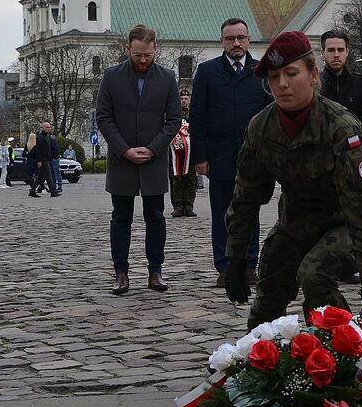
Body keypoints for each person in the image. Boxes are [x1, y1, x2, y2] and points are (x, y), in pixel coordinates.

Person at [223, 31, 362, 329]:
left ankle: (342, 341)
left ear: (313, 75)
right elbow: (246, 197)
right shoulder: (262, 127)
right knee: (268, 292)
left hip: (343, 224)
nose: (282, 84)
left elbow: (361, 206)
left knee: (314, 275)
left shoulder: (341, 126)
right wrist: (235, 258)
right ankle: (265, 351)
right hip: (295, 224)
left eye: (291, 73)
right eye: (274, 77)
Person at [97, 24, 182, 295]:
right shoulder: (111, 77)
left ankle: (155, 272)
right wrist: (124, 150)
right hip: (122, 159)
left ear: (155, 49)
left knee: (155, 216)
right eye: (137, 55)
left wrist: (154, 148)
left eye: (147, 55)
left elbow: (174, 120)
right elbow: (104, 118)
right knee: (121, 217)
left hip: (153, 160)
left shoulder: (167, 78)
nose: (143, 60)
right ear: (128, 50)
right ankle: (121, 272)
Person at [189, 18, 270, 287]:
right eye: (230, 38)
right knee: (222, 215)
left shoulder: (261, 72)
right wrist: (200, 156)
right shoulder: (207, 71)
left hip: (253, 158)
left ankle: (249, 265)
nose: (236, 43)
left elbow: (271, 115)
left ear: (248, 39)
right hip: (219, 156)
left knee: (250, 213)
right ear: (221, 41)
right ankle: (224, 266)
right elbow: (197, 117)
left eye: (241, 38)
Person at [319, 29, 362, 132]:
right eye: (331, 50)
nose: (336, 55)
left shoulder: (361, 85)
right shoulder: (312, 85)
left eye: (340, 50)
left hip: (353, 140)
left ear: (347, 52)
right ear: (322, 53)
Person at [170, 87, 198, 218]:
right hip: (175, 152)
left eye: (186, 98)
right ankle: (178, 205)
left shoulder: (194, 114)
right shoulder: (173, 113)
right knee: (176, 178)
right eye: (181, 99)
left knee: (190, 178)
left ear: (190, 99)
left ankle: (189, 205)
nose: (183, 101)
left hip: (190, 152)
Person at [29, 122, 59, 197]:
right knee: (49, 176)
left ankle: (32, 191)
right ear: (44, 128)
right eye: (48, 127)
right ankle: (53, 192)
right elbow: (38, 150)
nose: (49, 129)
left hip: (46, 159)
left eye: (50, 127)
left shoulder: (46, 137)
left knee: (40, 177)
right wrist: (39, 160)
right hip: (43, 160)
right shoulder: (41, 137)